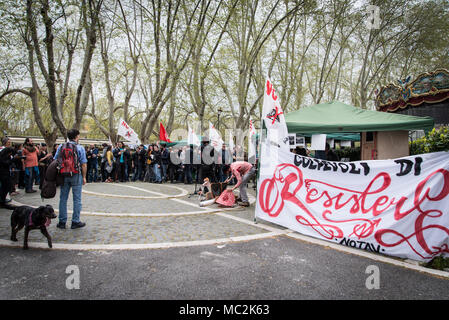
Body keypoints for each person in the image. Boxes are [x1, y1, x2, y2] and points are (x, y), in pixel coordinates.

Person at [53, 128, 88, 229]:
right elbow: (84, 164)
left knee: (63, 199)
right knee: (77, 199)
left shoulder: (61, 146)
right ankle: (75, 221)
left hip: (64, 175)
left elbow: (55, 160)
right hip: (76, 175)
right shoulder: (80, 148)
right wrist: (84, 177)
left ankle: (62, 222)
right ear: (76, 137)